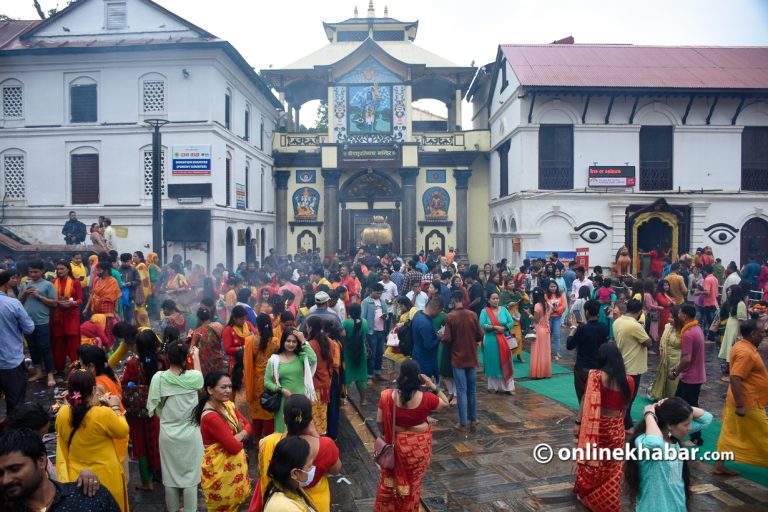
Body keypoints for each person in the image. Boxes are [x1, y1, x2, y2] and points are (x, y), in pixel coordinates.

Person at [374, 360, 448, 512]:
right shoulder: (427, 398)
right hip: (418, 450)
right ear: (418, 378)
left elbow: (379, 421)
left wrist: (387, 432)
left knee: (390, 484)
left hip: (396, 447)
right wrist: (431, 384)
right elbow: (446, 403)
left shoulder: (387, 396)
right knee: (413, 486)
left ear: (401, 376)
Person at [55, 369, 129, 511]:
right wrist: (115, 406)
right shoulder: (103, 414)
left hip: (76, 479)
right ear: (94, 389)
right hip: (105, 478)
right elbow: (123, 430)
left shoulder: (63, 413)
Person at [573, 344, 634, 512]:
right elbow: (626, 407)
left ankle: (587, 493)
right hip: (616, 429)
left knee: (592, 464)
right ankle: (608, 502)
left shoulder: (596, 377)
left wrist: (578, 424)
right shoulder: (628, 381)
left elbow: (586, 401)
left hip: (598, 428)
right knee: (613, 469)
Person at [625, 398, 713, 512]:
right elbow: (655, 443)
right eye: (686, 424)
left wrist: (678, 407)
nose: (690, 427)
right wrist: (649, 414)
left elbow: (707, 418)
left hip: (678, 506)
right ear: (670, 425)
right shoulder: (644, 441)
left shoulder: (673, 437)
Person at [0, 428, 120, 511]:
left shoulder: (90, 497)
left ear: (41, 461)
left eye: (15, 469)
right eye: (0, 473)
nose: (5, 480)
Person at [256, 395, 341, 512]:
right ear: (311, 419)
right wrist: (318, 436)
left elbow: (261, 470)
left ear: (284, 418)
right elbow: (335, 470)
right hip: (316, 504)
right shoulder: (326, 445)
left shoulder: (268, 442)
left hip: (279, 501)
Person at [147, 340, 204, 512]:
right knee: (191, 479)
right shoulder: (194, 377)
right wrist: (197, 356)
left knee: (170, 478)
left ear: (167, 357)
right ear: (186, 357)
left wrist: (166, 419)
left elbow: (154, 408)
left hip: (168, 434)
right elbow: (200, 379)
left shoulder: (159, 378)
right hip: (191, 433)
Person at [713, 320, 768, 476]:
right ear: (751, 334)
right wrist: (740, 405)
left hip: (736, 400)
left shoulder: (742, 345)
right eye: (761, 333)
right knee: (764, 434)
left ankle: (719, 465)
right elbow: (736, 378)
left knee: (728, 432)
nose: (764, 335)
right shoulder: (746, 352)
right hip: (747, 403)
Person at [193, 371, 252, 512]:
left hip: (229, 474)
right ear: (210, 389)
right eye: (223, 387)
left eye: (230, 387)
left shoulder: (227, 405)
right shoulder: (211, 417)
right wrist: (241, 435)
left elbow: (249, 425)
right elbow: (234, 448)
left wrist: (239, 435)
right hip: (221, 477)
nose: (228, 391)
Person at [120, 329, 162, 491]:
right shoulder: (160, 362)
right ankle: (158, 473)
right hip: (155, 409)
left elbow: (125, 383)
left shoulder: (132, 364)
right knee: (154, 440)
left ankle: (147, 482)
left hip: (137, 412)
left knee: (140, 445)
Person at [442, 291, 484, 432]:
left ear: (453, 300)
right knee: (472, 390)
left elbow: (447, 339)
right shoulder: (472, 315)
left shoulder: (450, 317)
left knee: (461, 390)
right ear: (465, 299)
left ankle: (462, 422)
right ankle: (473, 419)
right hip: (471, 356)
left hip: (457, 357)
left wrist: (441, 338)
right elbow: (480, 335)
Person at [264, 329, 318, 433]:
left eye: (294, 341)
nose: (291, 344)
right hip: (284, 403)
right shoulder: (274, 360)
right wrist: (282, 390)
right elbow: (267, 382)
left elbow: (313, 359)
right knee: (283, 433)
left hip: (301, 401)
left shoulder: (301, 357)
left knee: (301, 432)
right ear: (283, 341)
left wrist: (303, 341)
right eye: (288, 341)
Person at [669, 305, 707, 446]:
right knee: (680, 404)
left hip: (691, 377)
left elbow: (687, 359)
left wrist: (675, 372)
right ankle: (676, 431)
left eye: (679, 312)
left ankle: (696, 437)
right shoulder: (696, 329)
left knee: (691, 407)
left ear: (684, 315)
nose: (678, 314)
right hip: (693, 375)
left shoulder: (688, 333)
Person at [613, 298, 651, 431]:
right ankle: (626, 423)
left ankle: (625, 417)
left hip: (622, 362)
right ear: (639, 311)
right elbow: (648, 343)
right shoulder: (635, 326)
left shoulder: (618, 321)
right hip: (633, 366)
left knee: (624, 395)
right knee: (629, 397)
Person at [0, 270, 35, 417]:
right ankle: (14, 436)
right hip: (11, 362)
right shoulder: (12, 304)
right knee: (15, 404)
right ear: (7, 282)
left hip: (9, 361)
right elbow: (29, 328)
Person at [19, 260, 57, 387]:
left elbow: (54, 303)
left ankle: (50, 374)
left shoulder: (48, 285)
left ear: (42, 271)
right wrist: (24, 293)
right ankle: (38, 372)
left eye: (35, 272)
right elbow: (18, 303)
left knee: (45, 347)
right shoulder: (25, 285)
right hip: (27, 322)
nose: (33, 274)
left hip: (42, 322)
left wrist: (38, 296)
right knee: (33, 348)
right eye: (30, 272)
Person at [244, 313, 281, 440]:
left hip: (255, 381)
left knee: (256, 410)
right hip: (270, 380)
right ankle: (268, 439)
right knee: (269, 408)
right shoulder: (275, 341)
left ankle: (256, 438)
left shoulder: (251, 341)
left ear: (257, 325)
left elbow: (248, 363)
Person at [566, 300, 609, 403]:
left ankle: (583, 417)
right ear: (598, 313)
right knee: (596, 396)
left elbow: (569, 345)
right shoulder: (604, 327)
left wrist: (573, 328)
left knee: (582, 397)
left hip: (583, 367)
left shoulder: (583, 329)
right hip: (599, 367)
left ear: (587, 312)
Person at [262, 437, 318, 512]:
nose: (313, 468)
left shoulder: (285, 485)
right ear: (295, 473)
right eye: (310, 466)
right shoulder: (288, 508)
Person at [479, 291, 515, 394]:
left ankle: (508, 387)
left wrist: (503, 328)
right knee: (493, 362)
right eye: (493, 298)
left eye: (497, 298)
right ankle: (493, 387)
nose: (496, 300)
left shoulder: (504, 309)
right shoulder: (484, 312)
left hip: (504, 339)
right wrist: (494, 327)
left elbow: (511, 322)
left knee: (506, 360)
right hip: (491, 340)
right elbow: (482, 324)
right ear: (488, 300)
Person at [650, 305, 683, 400]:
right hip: (665, 360)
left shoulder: (684, 330)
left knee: (673, 384)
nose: (669, 319)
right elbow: (662, 342)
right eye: (669, 317)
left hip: (677, 360)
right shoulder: (668, 327)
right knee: (665, 381)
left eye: (672, 318)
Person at [84, 262, 122, 340]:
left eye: (99, 270)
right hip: (96, 308)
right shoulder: (96, 279)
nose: (97, 272)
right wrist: (86, 308)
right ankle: (99, 345)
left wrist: (116, 311)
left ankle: (109, 347)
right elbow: (92, 294)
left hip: (107, 308)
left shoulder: (113, 281)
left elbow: (116, 297)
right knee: (97, 327)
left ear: (106, 271)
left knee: (108, 328)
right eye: (97, 270)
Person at [718, 284, 747, 382]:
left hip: (735, 330)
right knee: (728, 351)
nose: (728, 292)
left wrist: (739, 335)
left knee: (732, 351)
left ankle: (732, 375)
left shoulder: (740, 304)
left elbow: (741, 320)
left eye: (729, 290)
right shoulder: (732, 303)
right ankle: (729, 373)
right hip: (730, 329)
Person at [411, 297, 444, 381]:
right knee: (425, 388)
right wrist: (439, 337)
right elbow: (429, 345)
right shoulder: (425, 323)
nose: (438, 315)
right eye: (439, 312)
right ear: (436, 309)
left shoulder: (417, 316)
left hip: (417, 356)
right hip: (425, 362)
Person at [342, 303, 368, 405]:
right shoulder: (364, 322)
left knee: (346, 376)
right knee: (361, 377)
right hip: (361, 352)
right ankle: (363, 400)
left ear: (349, 312)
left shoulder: (346, 323)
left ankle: (343, 400)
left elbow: (342, 335)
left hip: (348, 353)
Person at [361, 283, 388, 380]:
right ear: (372, 291)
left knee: (380, 353)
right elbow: (362, 317)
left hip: (381, 331)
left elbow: (386, 314)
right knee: (371, 354)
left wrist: (385, 317)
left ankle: (378, 372)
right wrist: (363, 333)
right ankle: (369, 376)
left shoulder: (382, 302)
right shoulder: (366, 302)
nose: (379, 295)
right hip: (371, 332)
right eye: (377, 293)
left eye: (380, 293)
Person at [190, 307, 227, 376]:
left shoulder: (197, 332)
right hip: (217, 363)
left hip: (204, 366)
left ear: (199, 319)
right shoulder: (218, 326)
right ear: (209, 316)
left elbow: (191, 350)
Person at [499, 278, 527, 363]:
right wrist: (507, 305)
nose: (512, 285)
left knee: (518, 338)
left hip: (516, 317)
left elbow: (526, 301)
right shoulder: (503, 294)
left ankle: (519, 355)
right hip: (507, 318)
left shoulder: (518, 294)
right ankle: (508, 356)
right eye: (510, 283)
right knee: (509, 338)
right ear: (506, 285)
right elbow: (499, 306)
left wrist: (523, 292)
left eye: (513, 283)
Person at [222, 305, 254, 373]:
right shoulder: (228, 330)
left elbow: (256, 334)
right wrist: (242, 348)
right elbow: (227, 349)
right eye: (241, 319)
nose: (244, 321)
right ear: (234, 318)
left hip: (249, 359)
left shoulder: (248, 325)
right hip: (236, 362)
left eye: (245, 318)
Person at [530, 287, 552, 379]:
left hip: (539, 329)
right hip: (546, 329)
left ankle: (538, 372)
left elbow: (536, 319)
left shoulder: (537, 306)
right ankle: (545, 372)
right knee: (545, 352)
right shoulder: (547, 304)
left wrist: (528, 314)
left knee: (537, 351)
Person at [544, 280, 567, 360]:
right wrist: (550, 309)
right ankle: (548, 351)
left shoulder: (560, 295)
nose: (553, 288)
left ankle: (557, 351)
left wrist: (556, 309)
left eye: (554, 286)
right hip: (548, 317)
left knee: (557, 335)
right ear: (548, 287)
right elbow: (544, 305)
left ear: (556, 287)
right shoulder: (546, 296)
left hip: (557, 317)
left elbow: (564, 306)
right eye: (551, 286)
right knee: (548, 335)